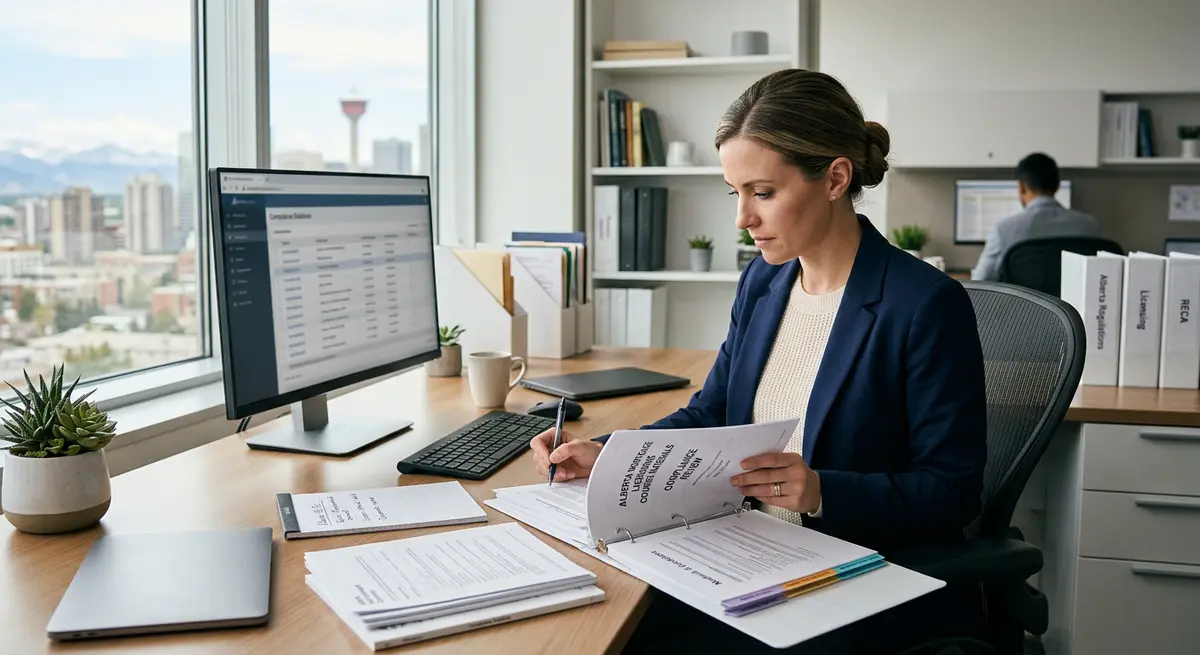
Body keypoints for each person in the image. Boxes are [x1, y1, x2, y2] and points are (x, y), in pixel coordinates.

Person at [530, 69, 988, 653]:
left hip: (852, 579)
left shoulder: (924, 304)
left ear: (835, 179)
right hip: (741, 553)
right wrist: (616, 455)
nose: (742, 218)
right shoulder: (764, 282)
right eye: (736, 193)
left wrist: (822, 490)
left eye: (763, 193)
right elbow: (714, 412)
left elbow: (952, 492)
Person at [970, 152, 1101, 281]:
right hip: (1070, 303)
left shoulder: (1004, 230)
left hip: (1021, 303)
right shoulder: (1091, 227)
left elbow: (980, 282)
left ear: (1021, 187)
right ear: (1057, 186)